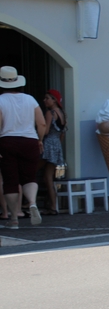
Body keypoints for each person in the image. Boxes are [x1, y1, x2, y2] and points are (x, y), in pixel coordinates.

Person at [0, 66, 47, 229]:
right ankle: (32, 202)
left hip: (7, 141)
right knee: (30, 177)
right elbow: (41, 123)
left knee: (10, 181)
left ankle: (14, 218)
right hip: (30, 141)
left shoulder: (0, 100)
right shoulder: (30, 99)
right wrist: (40, 139)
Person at [40, 89, 66, 215]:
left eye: (47, 98)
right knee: (49, 177)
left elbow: (45, 131)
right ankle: (53, 205)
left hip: (48, 143)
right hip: (56, 145)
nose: (45, 101)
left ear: (54, 100)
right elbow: (63, 133)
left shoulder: (50, 113)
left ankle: (30, 202)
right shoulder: (62, 113)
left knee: (35, 173)